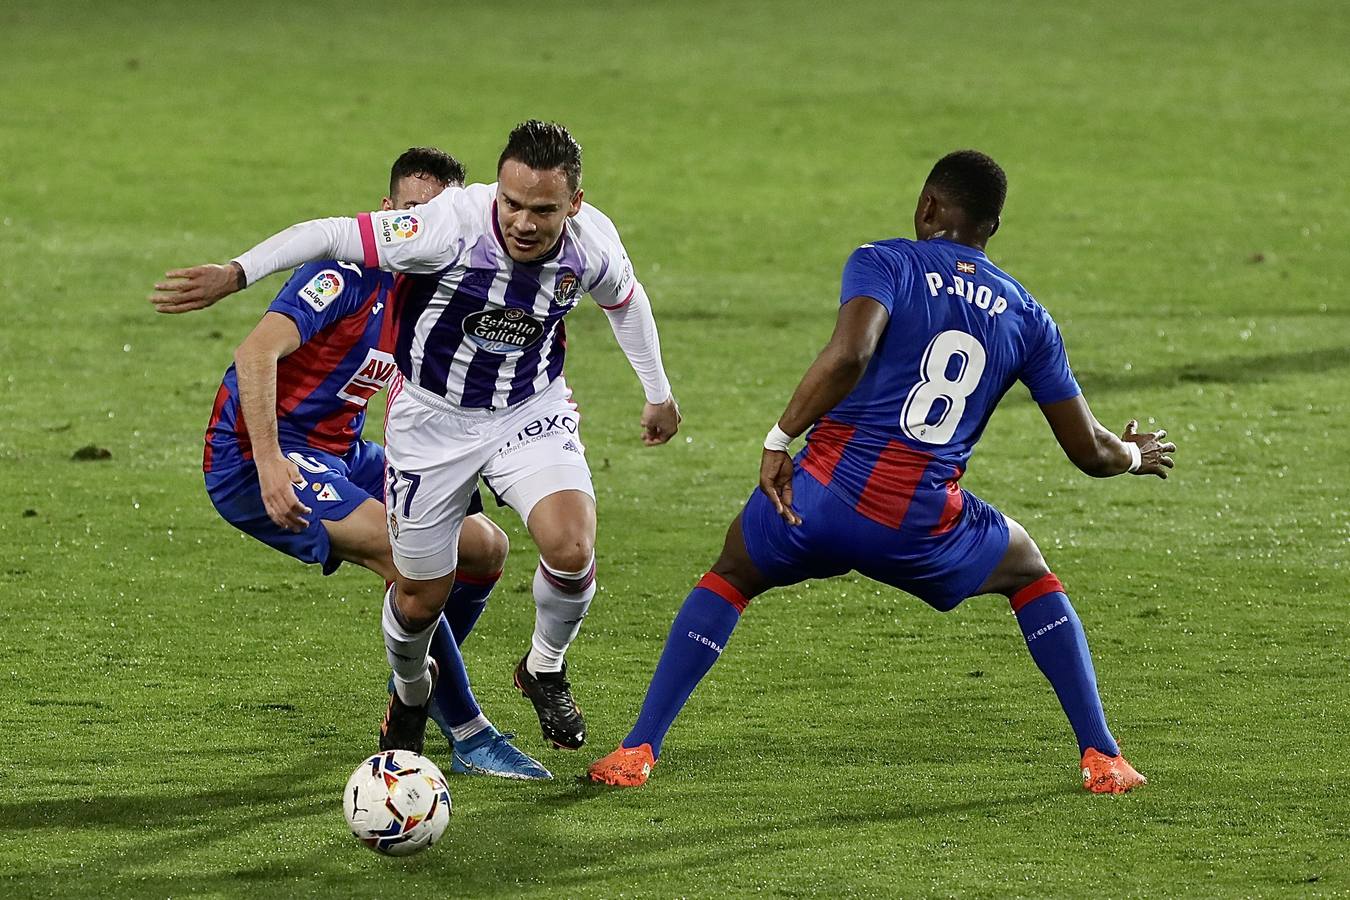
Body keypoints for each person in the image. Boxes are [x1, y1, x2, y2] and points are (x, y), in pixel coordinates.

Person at [587, 150, 1175, 794]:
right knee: (1030, 573)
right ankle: (1102, 756)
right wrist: (1134, 456)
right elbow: (1090, 450)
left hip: (813, 504)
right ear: (992, 229)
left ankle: (637, 749)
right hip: (920, 526)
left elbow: (849, 355)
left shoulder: (885, 260)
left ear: (927, 206)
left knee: (730, 575)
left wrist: (779, 439)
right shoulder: (1028, 316)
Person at [151, 121, 681, 755]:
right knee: (413, 578)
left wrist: (657, 390)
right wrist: (237, 276)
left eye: (541, 209)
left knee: (498, 548)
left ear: (574, 203)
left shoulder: (572, 247)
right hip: (306, 448)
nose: (522, 221)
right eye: (511, 204)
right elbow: (263, 338)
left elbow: (624, 299)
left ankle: (537, 669)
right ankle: (439, 712)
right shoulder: (372, 264)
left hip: (474, 421)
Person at [158, 147, 550, 780]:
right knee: (408, 562)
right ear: (387, 212)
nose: (420, 226)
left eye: (437, 213)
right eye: (410, 211)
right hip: (258, 454)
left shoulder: (442, 287)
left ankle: (412, 686)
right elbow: (255, 355)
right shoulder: (345, 273)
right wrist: (269, 465)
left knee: (485, 549)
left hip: (342, 454)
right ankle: (465, 730)